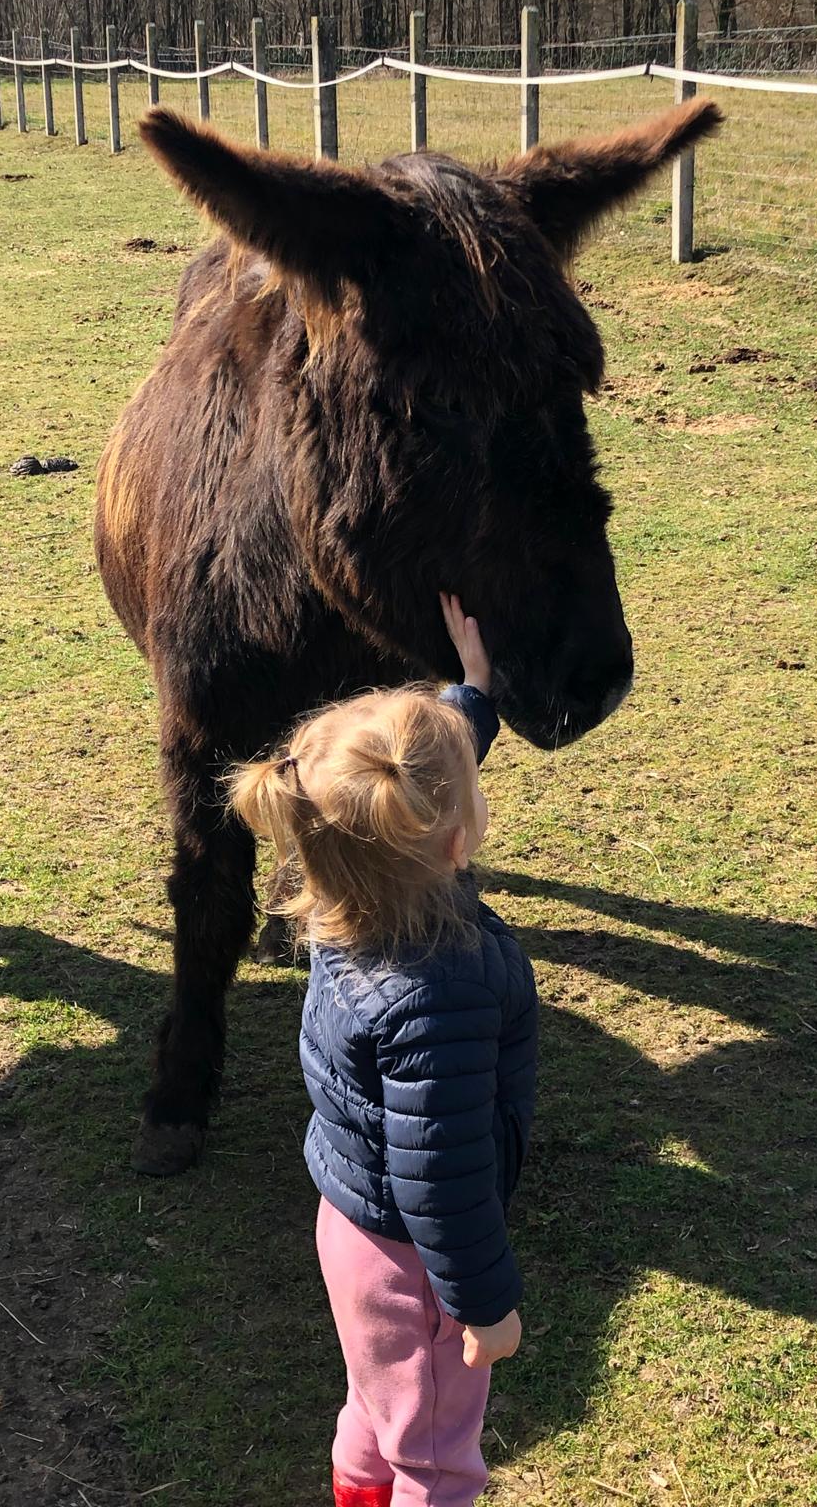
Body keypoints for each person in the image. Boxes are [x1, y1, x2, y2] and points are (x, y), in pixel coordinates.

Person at [228, 594, 538, 1507]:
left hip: (349, 1226)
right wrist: (483, 1302)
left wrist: (471, 690)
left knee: (377, 1397)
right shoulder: (440, 991)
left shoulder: (347, 892)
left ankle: (355, 1493)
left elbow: (407, 781)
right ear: (452, 842)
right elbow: (441, 1173)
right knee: (437, 1454)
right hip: (418, 1264)